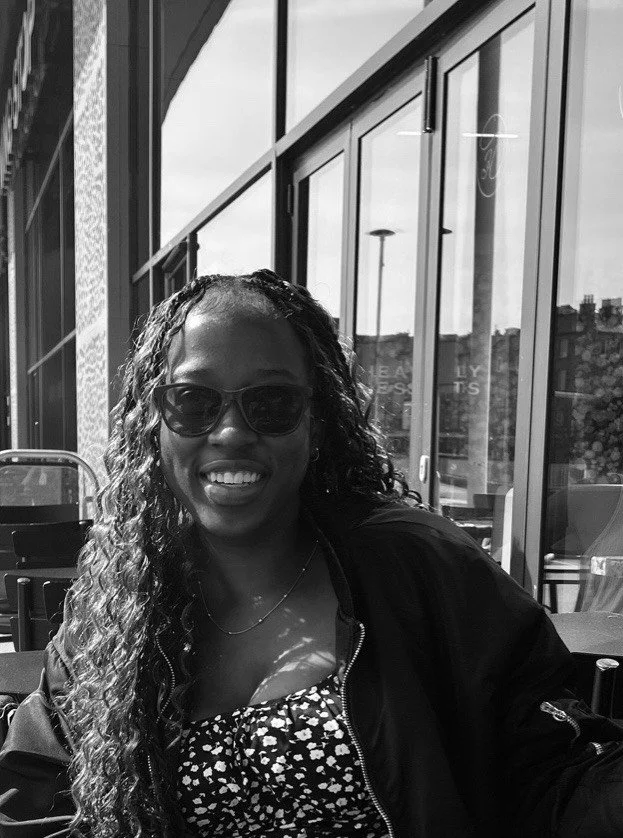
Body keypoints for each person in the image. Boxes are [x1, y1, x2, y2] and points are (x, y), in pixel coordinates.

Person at [0, 269, 623, 838]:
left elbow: (555, 769)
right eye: (193, 402)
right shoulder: (116, 615)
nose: (231, 432)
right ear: (153, 422)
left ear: (316, 420)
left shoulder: (418, 570)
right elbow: (34, 786)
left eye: (270, 403)